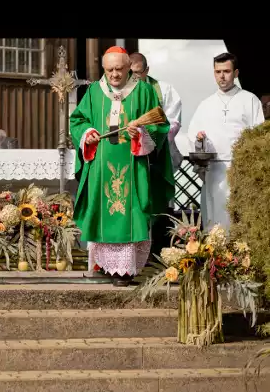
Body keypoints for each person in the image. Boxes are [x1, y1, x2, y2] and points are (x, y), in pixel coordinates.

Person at [69, 46, 174, 287]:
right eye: (109, 70)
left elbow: (160, 125)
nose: (114, 75)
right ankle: (104, 266)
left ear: (129, 68)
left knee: (131, 212)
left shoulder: (144, 91)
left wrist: (141, 132)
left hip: (133, 163)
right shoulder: (95, 91)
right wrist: (88, 133)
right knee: (102, 212)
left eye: (119, 69)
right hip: (101, 165)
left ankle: (125, 271)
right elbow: (78, 120)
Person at [187, 52, 265, 232]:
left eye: (227, 71)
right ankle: (217, 258)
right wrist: (200, 139)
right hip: (213, 170)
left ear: (236, 73)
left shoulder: (249, 100)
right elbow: (193, 135)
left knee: (238, 216)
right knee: (215, 218)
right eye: (218, 71)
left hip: (240, 169)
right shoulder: (206, 104)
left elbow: (258, 136)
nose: (222, 76)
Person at [130, 52, 183, 170]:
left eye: (138, 73)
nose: (134, 78)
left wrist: (147, 137)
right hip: (129, 153)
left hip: (159, 153)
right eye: (130, 72)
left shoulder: (164, 90)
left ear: (147, 70)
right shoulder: (121, 91)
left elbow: (173, 123)